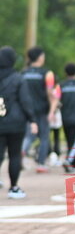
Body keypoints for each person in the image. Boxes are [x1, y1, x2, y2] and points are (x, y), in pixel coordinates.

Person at [0, 46, 36, 198]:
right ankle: (14, 188)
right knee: (14, 155)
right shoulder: (18, 78)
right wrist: (32, 120)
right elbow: (25, 101)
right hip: (16, 123)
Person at [21, 47, 57, 172]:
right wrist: (52, 111)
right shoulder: (47, 74)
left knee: (29, 135)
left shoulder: (23, 73)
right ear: (40, 57)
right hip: (42, 110)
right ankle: (41, 164)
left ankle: (22, 150)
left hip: (26, 110)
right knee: (44, 137)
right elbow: (50, 94)